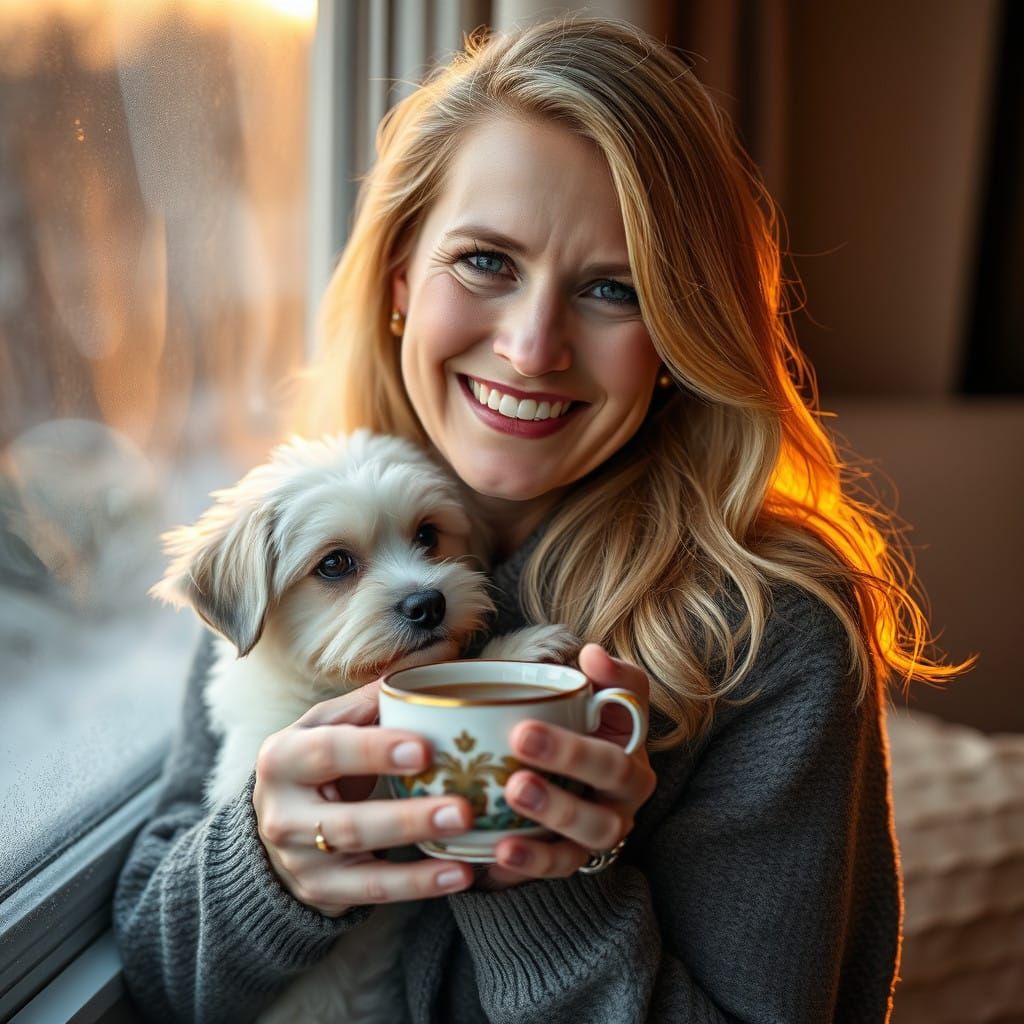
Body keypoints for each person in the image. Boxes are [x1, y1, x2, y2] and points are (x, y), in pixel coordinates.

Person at [114, 15, 965, 1022]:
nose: (529, 347)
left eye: (613, 288)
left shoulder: (767, 639)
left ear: (678, 337)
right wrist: (271, 864)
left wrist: (534, 868)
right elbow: (158, 968)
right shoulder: (299, 556)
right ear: (399, 281)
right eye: (484, 261)